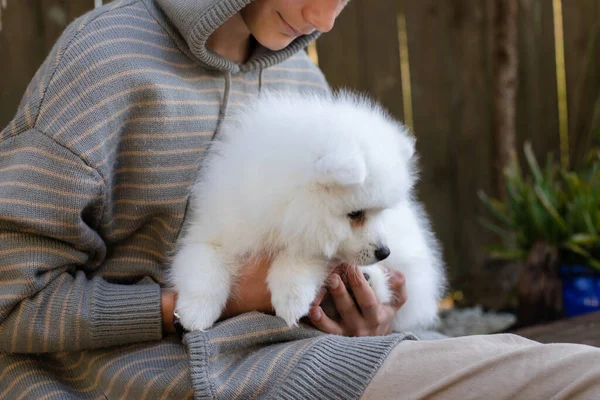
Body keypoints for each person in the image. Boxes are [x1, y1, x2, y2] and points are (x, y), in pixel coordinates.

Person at [0, 0, 598, 399]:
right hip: (148, 376)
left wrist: (368, 321)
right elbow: (10, 299)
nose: (326, 17)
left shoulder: (300, 81)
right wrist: (216, 297)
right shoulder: (104, 61)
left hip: (306, 358)